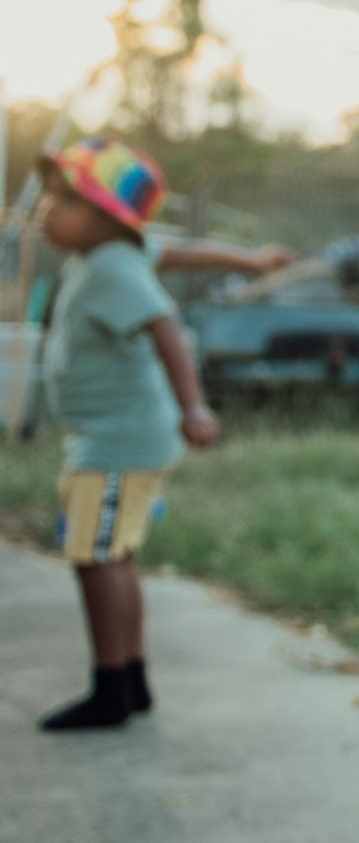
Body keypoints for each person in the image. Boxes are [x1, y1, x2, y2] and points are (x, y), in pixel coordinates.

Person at [32, 136, 222, 731]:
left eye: (63, 200)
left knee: (96, 558)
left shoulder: (113, 264)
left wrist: (195, 407)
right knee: (114, 555)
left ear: (107, 218)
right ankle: (130, 680)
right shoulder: (112, 255)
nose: (45, 209)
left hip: (117, 442)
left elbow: (167, 328)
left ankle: (110, 689)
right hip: (113, 437)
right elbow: (182, 253)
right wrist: (251, 261)